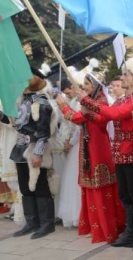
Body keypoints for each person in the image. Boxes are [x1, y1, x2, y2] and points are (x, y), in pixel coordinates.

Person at [79, 57, 133, 251]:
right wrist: (86, 109)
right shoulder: (124, 99)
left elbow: (114, 115)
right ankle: (129, 233)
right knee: (125, 195)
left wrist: (85, 100)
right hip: (119, 152)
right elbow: (104, 116)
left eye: (126, 74)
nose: (123, 77)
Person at [56, 73, 124, 243]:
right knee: (89, 189)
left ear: (95, 86)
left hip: (99, 151)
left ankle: (107, 229)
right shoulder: (89, 101)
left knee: (101, 189)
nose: (84, 86)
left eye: (87, 84)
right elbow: (79, 117)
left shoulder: (100, 101)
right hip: (88, 151)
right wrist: (67, 107)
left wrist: (66, 107)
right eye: (84, 83)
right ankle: (95, 227)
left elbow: (100, 119)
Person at [10, 67, 57, 239]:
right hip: (20, 149)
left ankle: (46, 224)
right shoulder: (21, 100)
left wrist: (38, 154)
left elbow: (44, 132)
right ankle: (32, 222)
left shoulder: (42, 103)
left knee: (41, 188)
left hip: (35, 149)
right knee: (25, 188)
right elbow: (16, 124)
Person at [55, 78, 82, 229]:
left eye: (70, 90)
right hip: (68, 144)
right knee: (70, 181)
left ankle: (79, 215)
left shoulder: (80, 103)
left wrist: (70, 142)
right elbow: (64, 122)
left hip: (77, 145)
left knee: (76, 181)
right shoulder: (72, 102)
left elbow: (79, 123)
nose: (69, 94)